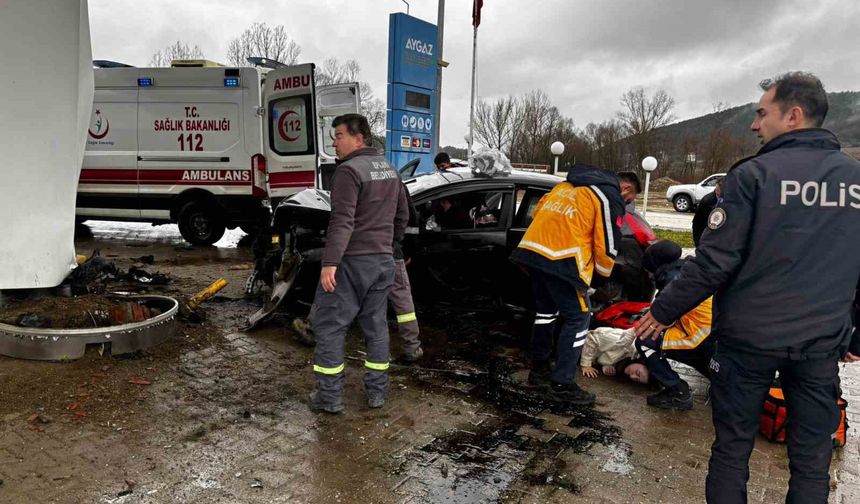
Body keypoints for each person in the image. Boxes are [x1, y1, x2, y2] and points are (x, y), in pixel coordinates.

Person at [634, 72, 860, 503]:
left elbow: (715, 261)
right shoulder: (855, 178)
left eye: (761, 113)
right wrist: (856, 335)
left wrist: (662, 311)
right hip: (819, 344)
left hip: (747, 342)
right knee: (812, 460)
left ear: (793, 116)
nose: (755, 125)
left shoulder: (753, 175)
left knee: (733, 448)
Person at [309, 113, 409, 414]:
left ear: (359, 137)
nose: (334, 143)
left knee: (330, 327)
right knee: (376, 327)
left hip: (352, 263)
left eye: (339, 136)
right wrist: (389, 246)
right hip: (382, 263)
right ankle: (377, 393)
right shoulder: (390, 170)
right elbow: (402, 216)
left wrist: (330, 263)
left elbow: (342, 220)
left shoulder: (348, 171)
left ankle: (329, 398)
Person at [511, 163, 625, 405]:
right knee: (579, 318)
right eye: (630, 198)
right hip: (564, 260)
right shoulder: (606, 196)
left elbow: (538, 213)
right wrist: (600, 278)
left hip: (533, 254)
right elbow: (607, 242)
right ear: (625, 188)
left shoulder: (563, 186)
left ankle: (539, 369)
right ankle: (562, 383)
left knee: (546, 313)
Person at [630, 240, 713, 410]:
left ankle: (677, 391)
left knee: (645, 340)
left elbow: (659, 321)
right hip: (717, 334)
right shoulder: (689, 269)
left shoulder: (671, 284)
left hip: (699, 337)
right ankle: (718, 379)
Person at [692, 181, 721, 247]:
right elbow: (697, 223)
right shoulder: (707, 201)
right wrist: (698, 243)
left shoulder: (730, 200)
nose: (719, 188)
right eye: (718, 186)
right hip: (707, 238)